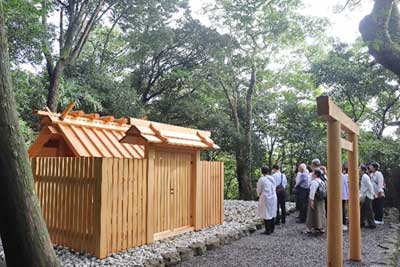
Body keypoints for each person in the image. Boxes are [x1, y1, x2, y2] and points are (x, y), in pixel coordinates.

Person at [304, 169, 326, 234]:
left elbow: (312, 192)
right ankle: (320, 227)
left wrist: (311, 201)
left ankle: (309, 228)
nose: (312, 174)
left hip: (315, 199)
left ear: (316, 174)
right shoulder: (322, 181)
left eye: (313, 173)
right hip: (321, 200)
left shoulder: (314, 182)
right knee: (320, 213)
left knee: (312, 213)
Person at [257, 166, 278, 235]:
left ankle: (267, 230)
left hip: (266, 197)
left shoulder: (262, 179)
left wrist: (259, 194)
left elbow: (259, 189)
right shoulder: (272, 178)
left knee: (266, 213)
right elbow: (275, 186)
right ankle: (272, 228)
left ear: (261, 171)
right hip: (273, 196)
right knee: (272, 212)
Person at [360, 164, 376, 229]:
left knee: (369, 210)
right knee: (363, 210)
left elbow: (370, 186)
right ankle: (362, 223)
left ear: (362, 170)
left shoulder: (365, 177)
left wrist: (373, 193)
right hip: (365, 195)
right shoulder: (363, 176)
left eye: (359, 168)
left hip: (368, 195)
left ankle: (372, 224)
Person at [342, 165, 349, 231]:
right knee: (342, 209)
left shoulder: (343, 176)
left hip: (342, 195)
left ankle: (344, 224)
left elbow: (346, 185)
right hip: (342, 195)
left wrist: (348, 194)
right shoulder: (343, 176)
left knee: (342, 210)